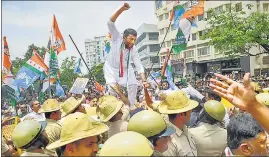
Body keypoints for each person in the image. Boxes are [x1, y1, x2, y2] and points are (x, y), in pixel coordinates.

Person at [103, 2, 149, 110]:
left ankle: (131, 108)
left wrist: (144, 80)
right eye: (131, 39)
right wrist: (122, 9)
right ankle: (114, 109)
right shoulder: (116, 37)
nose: (133, 42)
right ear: (124, 37)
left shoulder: (133, 49)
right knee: (113, 90)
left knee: (133, 85)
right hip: (111, 69)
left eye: (135, 39)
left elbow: (139, 66)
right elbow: (110, 23)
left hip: (126, 70)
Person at [158, 90, 198, 156]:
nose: (191, 111)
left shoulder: (184, 129)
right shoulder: (168, 141)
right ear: (182, 114)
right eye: (189, 109)